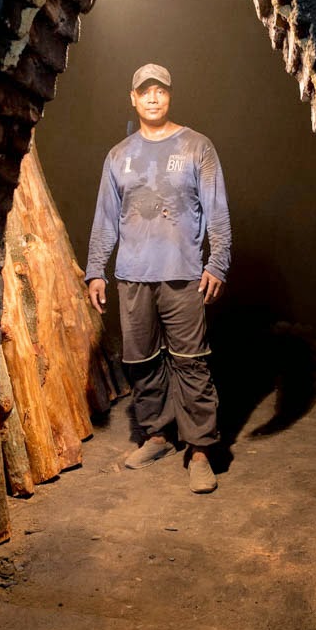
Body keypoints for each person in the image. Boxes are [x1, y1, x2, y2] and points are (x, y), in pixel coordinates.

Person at [85, 63, 232, 493]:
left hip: (184, 273)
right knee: (141, 361)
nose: (152, 97)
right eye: (144, 91)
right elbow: (106, 219)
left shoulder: (196, 147)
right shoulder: (118, 155)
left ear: (169, 96)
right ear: (132, 98)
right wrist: (96, 269)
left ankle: (201, 449)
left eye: (160, 90)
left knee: (191, 362)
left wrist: (217, 262)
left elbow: (217, 208)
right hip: (133, 274)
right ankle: (156, 435)